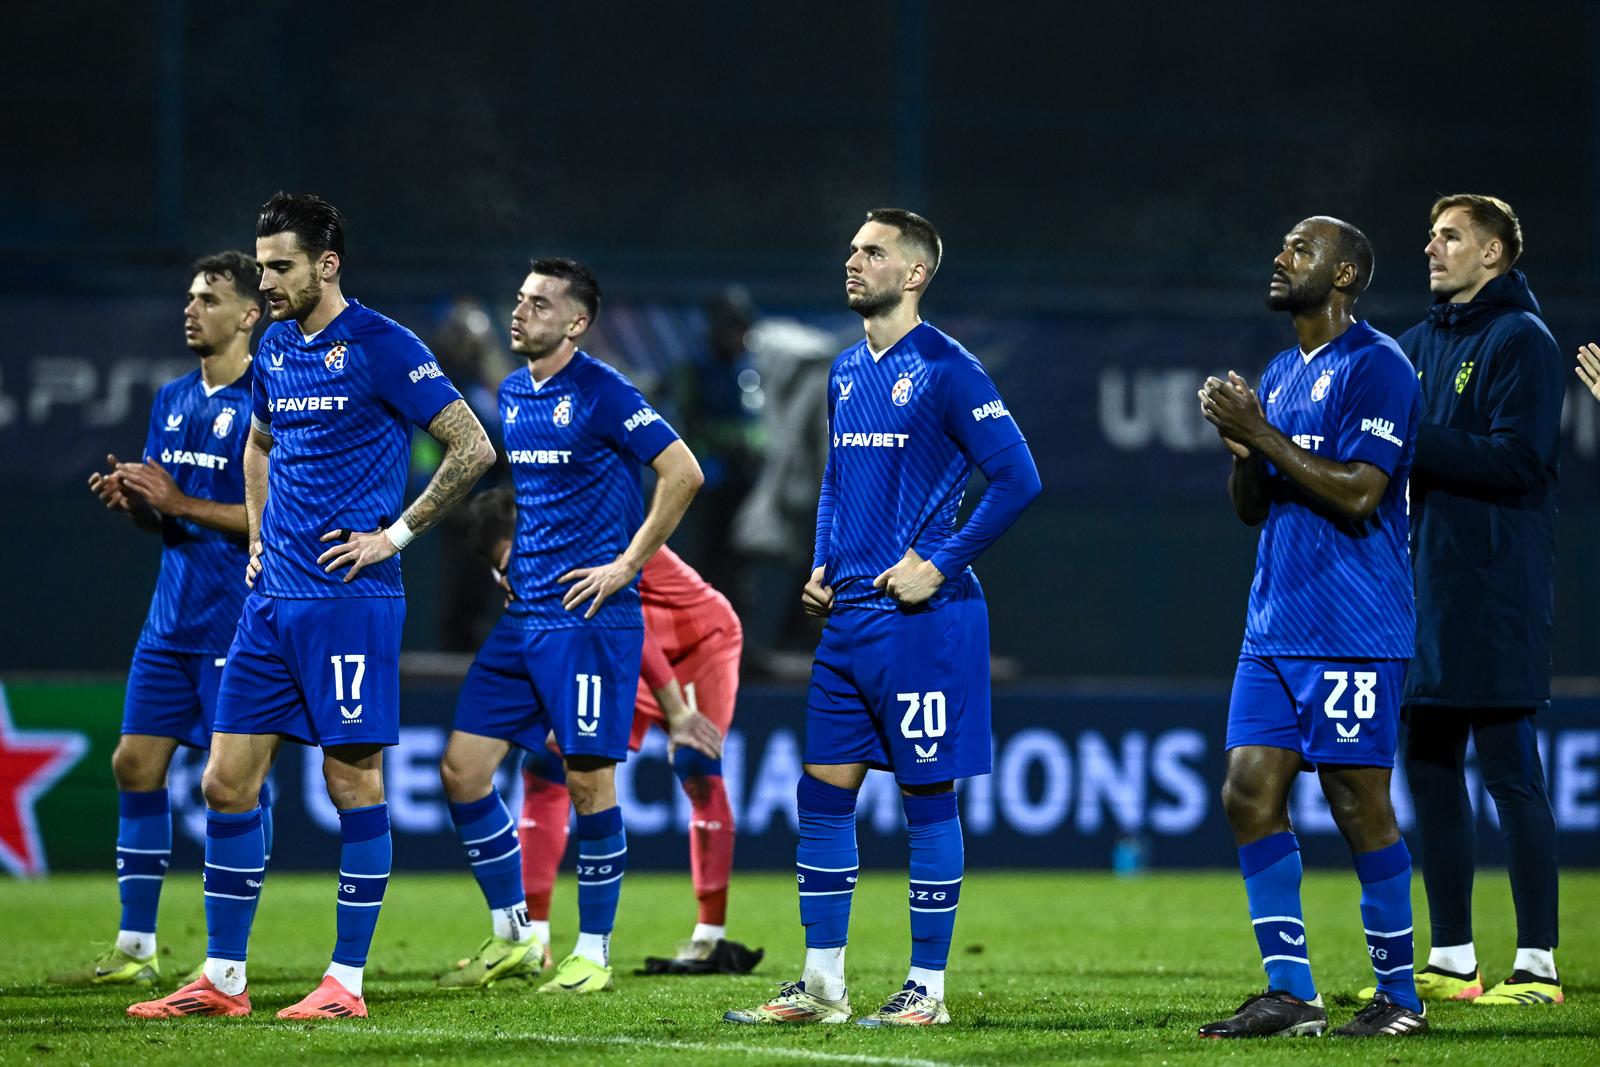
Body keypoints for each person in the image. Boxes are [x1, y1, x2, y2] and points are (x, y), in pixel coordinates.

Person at [127, 192, 495, 1020]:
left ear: (327, 265)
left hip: (349, 602)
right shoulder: (278, 351)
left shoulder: (381, 343)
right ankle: (223, 980)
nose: (267, 283)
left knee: (350, 778)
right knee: (225, 782)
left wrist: (392, 537)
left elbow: (473, 443)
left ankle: (346, 983)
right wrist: (258, 535)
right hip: (267, 603)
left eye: (282, 267)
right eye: (261, 267)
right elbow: (258, 443)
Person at [725, 209, 1040, 1027]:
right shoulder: (844, 369)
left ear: (915, 274)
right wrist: (823, 560)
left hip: (925, 621)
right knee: (822, 792)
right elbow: (835, 478)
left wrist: (942, 560)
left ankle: (927, 991)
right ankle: (823, 983)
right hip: (849, 620)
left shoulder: (947, 367)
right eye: (853, 249)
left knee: (926, 798)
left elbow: (1018, 477)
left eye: (873, 252)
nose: (853, 260)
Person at [437, 259, 702, 995]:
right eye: (519, 299)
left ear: (577, 322)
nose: (521, 312)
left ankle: (593, 951)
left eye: (540, 303)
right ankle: (516, 934)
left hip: (591, 619)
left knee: (589, 784)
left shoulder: (605, 390)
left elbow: (683, 471)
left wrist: (626, 564)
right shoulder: (517, 391)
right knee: (462, 771)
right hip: (524, 618)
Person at [1195, 216, 1425, 1038]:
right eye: (1282, 241)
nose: (1281, 254)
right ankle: (1291, 992)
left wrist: (1262, 433)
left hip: (1354, 623)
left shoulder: (1379, 366)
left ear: (1346, 276)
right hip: (1274, 622)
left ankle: (1400, 998)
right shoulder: (1281, 374)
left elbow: (1363, 491)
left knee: (1356, 800)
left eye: (1302, 247)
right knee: (1247, 792)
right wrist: (1240, 450)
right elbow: (1255, 508)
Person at [56, 252, 264, 989]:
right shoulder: (173, 397)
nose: (190, 308)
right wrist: (140, 503)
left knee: (231, 785)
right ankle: (137, 946)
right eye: (188, 296)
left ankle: (226, 959)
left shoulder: (268, 401)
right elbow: (168, 517)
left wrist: (174, 502)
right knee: (133, 764)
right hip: (168, 622)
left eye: (208, 298)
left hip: (236, 625)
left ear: (248, 315)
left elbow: (269, 521)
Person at [460, 488, 760, 976]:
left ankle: (709, 936)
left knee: (696, 764)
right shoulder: (525, 558)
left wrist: (678, 715)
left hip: (698, 638)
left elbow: (626, 616)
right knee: (547, 768)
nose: (510, 573)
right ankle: (534, 938)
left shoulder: (574, 536)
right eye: (501, 568)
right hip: (621, 643)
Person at [1397, 195, 1564, 1006]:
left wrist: (1406, 440)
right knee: (1427, 768)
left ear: (1493, 254)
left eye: (1451, 235)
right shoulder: (1415, 345)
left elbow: (1519, 461)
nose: (1432, 247)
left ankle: (1537, 962)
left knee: (1509, 772)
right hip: (1423, 588)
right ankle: (1454, 955)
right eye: (1433, 235)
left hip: (1496, 586)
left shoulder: (1522, 341)